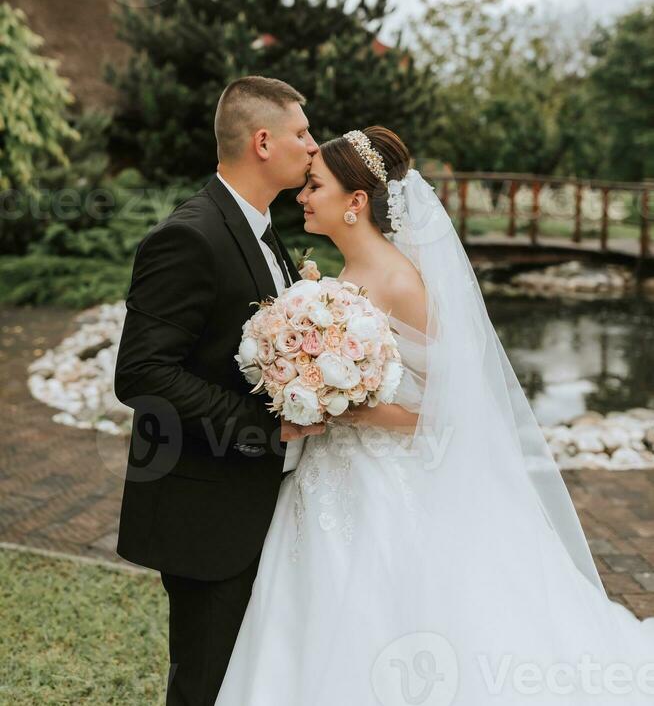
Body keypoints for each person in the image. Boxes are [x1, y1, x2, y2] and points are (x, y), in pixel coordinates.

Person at [214, 125, 654, 706]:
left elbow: (445, 415)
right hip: (329, 478)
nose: (302, 195)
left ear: (356, 202)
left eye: (314, 185)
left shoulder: (401, 283)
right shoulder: (340, 280)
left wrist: (346, 408)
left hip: (384, 483)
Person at [113, 76, 325, 706]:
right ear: (263, 142)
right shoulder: (191, 236)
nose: (313, 147)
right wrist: (267, 431)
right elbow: (143, 374)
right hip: (206, 511)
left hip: (259, 502)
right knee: (205, 686)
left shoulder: (260, 230)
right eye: (302, 133)